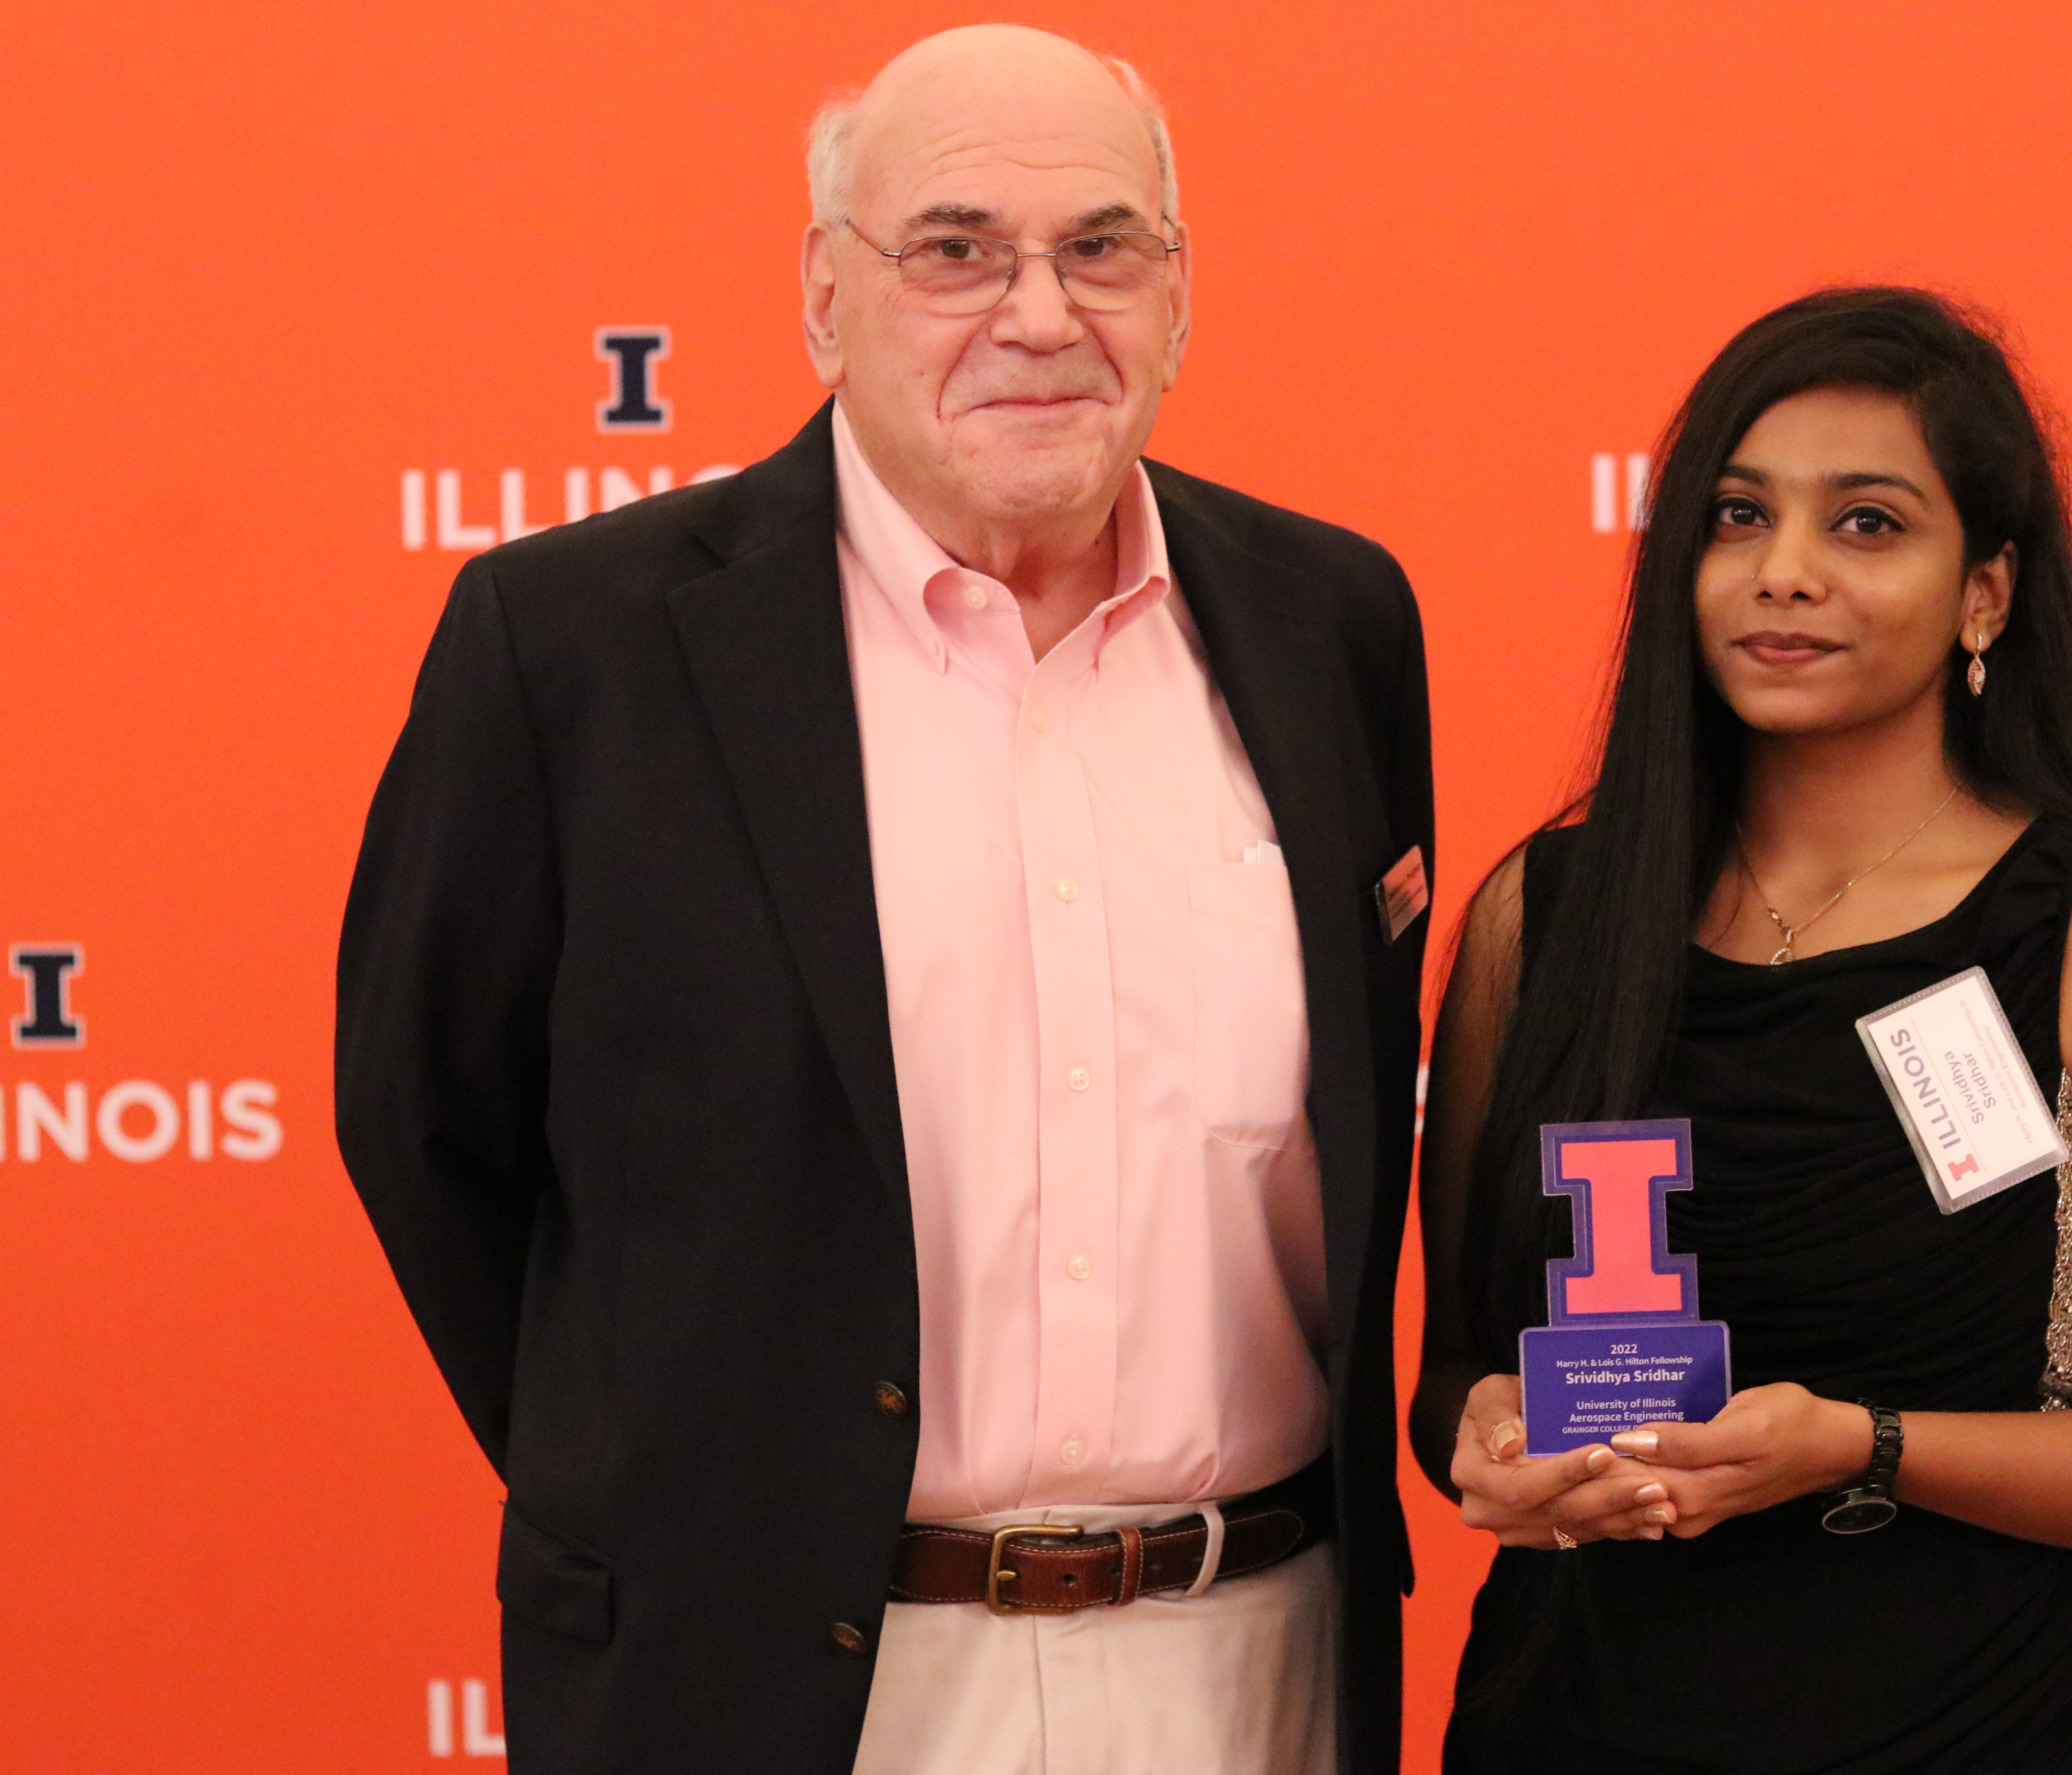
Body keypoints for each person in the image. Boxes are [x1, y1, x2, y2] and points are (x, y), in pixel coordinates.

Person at [337, 27, 1431, 1775]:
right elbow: (427, 1127)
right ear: (824, 294)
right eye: (954, 248)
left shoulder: (1332, 621)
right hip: (784, 1681)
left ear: (1181, 286)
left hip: (1264, 1667)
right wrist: (673, 1485)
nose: (1040, 315)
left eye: (1102, 246)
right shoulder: (571, 648)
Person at [1410, 288, 2072, 1773]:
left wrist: (1863, 1445)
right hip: (1584, 1717)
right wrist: (1490, 1437)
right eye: (1735, 517)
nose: (1783, 575)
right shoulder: (1549, 912)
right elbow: (1457, 1366)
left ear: (1989, 594)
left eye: (1868, 525)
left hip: (2014, 1719)